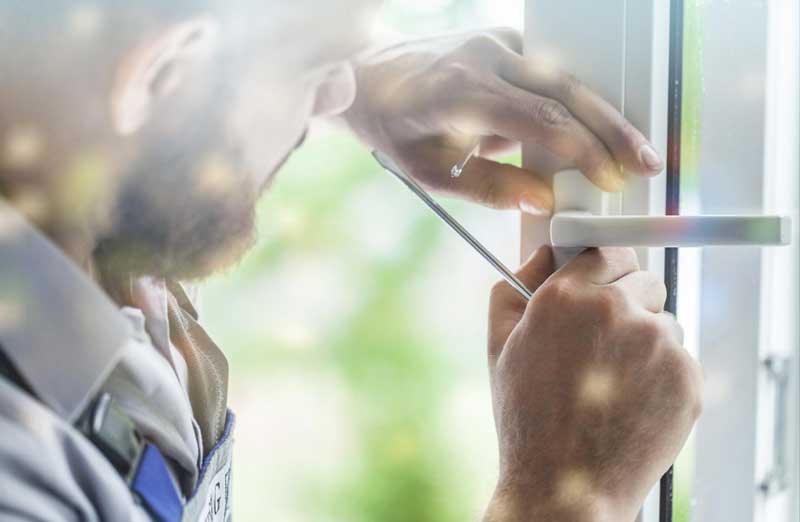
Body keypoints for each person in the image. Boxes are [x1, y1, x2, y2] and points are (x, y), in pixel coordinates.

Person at [0, 1, 702, 521]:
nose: (337, 98)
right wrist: (566, 493)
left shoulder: (88, 191)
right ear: (158, 75)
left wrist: (362, 72)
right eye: (318, 73)